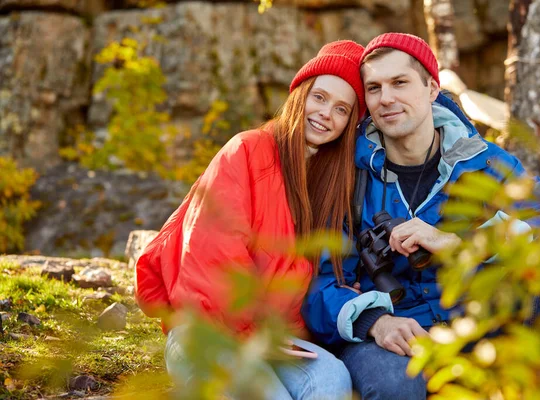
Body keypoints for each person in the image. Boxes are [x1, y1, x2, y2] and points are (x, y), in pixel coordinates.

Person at [301, 32, 540, 399]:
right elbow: (319, 281)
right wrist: (375, 322)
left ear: (432, 88)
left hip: (475, 323)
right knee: (394, 383)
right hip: (392, 335)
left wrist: (462, 244)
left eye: (400, 83)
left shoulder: (482, 162)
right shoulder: (351, 175)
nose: (387, 99)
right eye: (374, 88)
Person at [135, 40, 367, 400]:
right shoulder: (247, 151)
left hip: (270, 339)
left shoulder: (327, 186)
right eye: (319, 97)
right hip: (206, 332)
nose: (325, 113)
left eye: (341, 109)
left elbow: (294, 291)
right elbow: (213, 263)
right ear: (299, 94)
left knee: (331, 379)